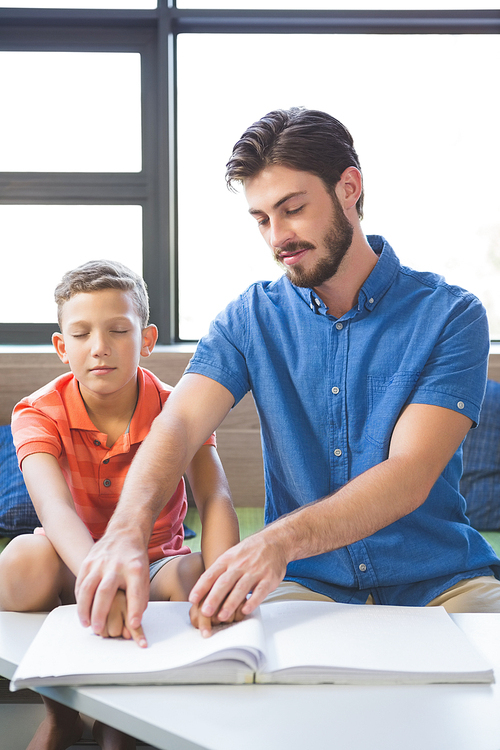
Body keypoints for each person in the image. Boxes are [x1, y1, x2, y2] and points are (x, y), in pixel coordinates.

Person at [74, 107, 500, 642]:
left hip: (443, 584)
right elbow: (179, 423)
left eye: (292, 209)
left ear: (349, 188)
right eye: (260, 219)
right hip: (305, 586)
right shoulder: (249, 319)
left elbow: (410, 471)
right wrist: (126, 531)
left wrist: (276, 542)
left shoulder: (451, 315)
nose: (278, 237)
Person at [0, 259, 239, 750]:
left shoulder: (180, 406)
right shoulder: (37, 411)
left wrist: (222, 582)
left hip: (155, 565)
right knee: (18, 563)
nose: (100, 347)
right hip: (72, 560)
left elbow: (215, 496)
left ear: (147, 339)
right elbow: (54, 510)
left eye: (117, 330)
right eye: (82, 334)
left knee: (202, 576)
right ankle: (63, 713)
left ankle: (126, 714)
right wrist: (104, 580)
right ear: (62, 348)